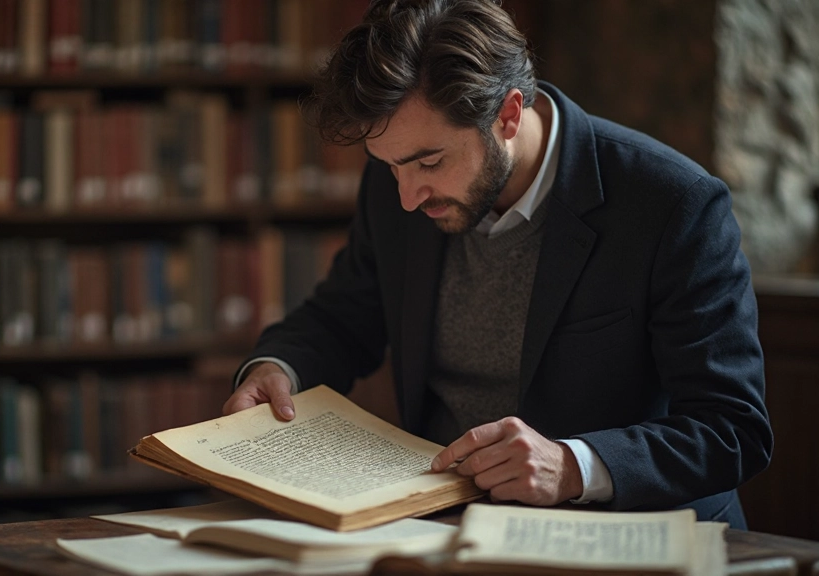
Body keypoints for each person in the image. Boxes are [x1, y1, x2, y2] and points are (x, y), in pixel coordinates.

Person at [222, 0, 772, 528]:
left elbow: (732, 429)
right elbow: (343, 317)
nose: (408, 196)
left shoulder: (672, 204)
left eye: (429, 161)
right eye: (389, 167)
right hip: (442, 528)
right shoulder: (399, 181)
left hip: (625, 537)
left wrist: (573, 466)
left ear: (508, 114)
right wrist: (277, 369)